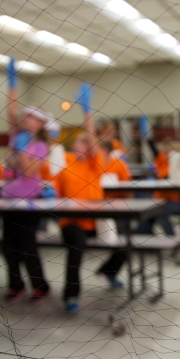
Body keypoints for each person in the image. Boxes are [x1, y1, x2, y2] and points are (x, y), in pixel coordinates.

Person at [0, 57, 51, 305]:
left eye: (31, 116)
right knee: (8, 246)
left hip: (30, 201)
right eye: (26, 115)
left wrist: (19, 151)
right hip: (9, 199)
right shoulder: (17, 135)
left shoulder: (40, 146)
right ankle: (15, 285)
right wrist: (12, 84)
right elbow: (11, 110)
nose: (25, 118)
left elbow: (30, 172)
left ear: (40, 124)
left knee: (27, 245)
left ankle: (40, 286)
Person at [52, 83, 106, 312]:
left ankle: (109, 271)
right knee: (76, 246)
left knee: (125, 241)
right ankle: (71, 295)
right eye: (76, 142)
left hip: (95, 221)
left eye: (82, 142)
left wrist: (87, 114)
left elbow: (93, 140)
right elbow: (55, 195)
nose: (78, 145)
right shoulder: (66, 166)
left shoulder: (95, 165)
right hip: (72, 222)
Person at [94, 139, 133, 289]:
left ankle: (108, 271)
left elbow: (128, 187)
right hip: (95, 210)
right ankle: (108, 272)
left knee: (124, 242)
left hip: (115, 209)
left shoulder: (118, 164)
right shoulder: (91, 165)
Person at [137, 139, 180, 236]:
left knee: (161, 213)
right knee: (145, 213)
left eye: (168, 152)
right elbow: (159, 174)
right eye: (164, 152)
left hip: (174, 201)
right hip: (158, 199)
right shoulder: (162, 164)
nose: (165, 154)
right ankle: (147, 236)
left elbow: (173, 179)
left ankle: (172, 238)